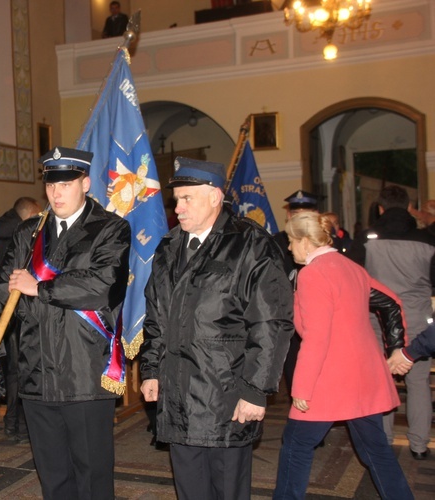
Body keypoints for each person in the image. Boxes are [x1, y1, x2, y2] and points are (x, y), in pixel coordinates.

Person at [0, 146, 131, 499]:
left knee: (92, 479)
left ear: (85, 183)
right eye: (50, 185)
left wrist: (40, 288)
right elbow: (0, 288)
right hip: (37, 373)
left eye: (67, 184)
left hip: (85, 375)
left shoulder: (110, 229)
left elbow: (103, 285)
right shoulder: (30, 233)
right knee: (54, 478)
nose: (56, 193)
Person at [139, 158, 294, 500]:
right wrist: (151, 369)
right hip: (178, 394)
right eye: (176, 199)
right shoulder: (169, 246)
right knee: (190, 489)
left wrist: (255, 390)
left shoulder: (250, 244)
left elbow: (271, 323)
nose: (177, 207)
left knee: (226, 490)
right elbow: (156, 316)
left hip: (226, 396)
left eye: (186, 198)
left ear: (214, 196)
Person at [273, 212, 413, 499]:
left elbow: (316, 336)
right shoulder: (350, 267)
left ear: (305, 242)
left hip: (329, 379)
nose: (288, 248)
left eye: (290, 241)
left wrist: (301, 387)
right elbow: (392, 302)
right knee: (375, 450)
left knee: (296, 446)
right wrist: (396, 348)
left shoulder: (313, 273)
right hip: (364, 377)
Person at [349, 185, 435, 460]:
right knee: (419, 383)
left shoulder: (366, 238)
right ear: (409, 207)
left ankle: (384, 441)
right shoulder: (428, 239)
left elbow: (352, 278)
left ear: (381, 208)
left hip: (379, 321)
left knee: (382, 380)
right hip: (418, 319)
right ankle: (419, 445)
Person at [0, 196, 40, 443]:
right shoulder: (20, 237)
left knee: (13, 370)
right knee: (19, 370)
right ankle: (18, 423)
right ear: (29, 215)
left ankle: (14, 423)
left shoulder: (3, 235)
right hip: (17, 310)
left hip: (10, 311)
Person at [273, 190, 320, 397]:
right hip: (289, 314)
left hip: (317, 311)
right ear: (289, 216)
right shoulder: (277, 242)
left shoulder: (323, 240)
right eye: (296, 213)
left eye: (305, 213)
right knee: (293, 365)